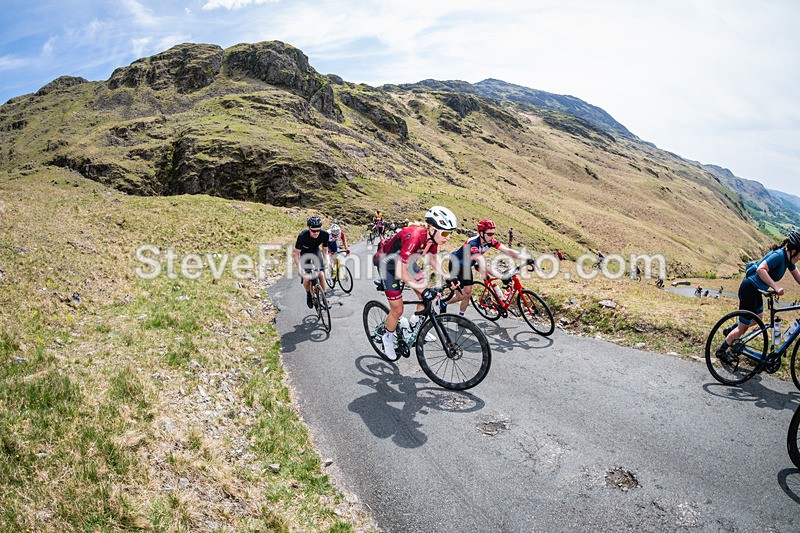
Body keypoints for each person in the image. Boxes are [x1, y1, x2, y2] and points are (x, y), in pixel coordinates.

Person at [378, 206, 457, 359]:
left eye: (451, 233)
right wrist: (421, 288)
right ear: (433, 228)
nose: (448, 237)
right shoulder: (414, 237)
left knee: (425, 294)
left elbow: (433, 259)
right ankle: (387, 338)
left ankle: (415, 324)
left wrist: (448, 277)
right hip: (388, 265)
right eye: (446, 233)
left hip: (407, 263)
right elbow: (401, 272)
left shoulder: (432, 238)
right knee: (397, 310)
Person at [715, 230, 800, 363]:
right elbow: (761, 269)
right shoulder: (779, 255)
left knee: (758, 319)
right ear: (794, 251)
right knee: (742, 329)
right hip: (750, 289)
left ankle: (730, 331)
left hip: (756, 290)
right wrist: (776, 287)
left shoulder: (788, 259)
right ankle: (721, 351)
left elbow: (799, 278)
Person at [444, 219, 532, 316]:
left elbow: (508, 251)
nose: (492, 236)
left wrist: (526, 259)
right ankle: (444, 303)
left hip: (467, 266)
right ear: (481, 233)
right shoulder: (472, 244)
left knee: (467, 294)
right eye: (489, 234)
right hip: (456, 265)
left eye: (493, 233)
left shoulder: (490, 241)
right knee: (460, 296)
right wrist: (502, 277)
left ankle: (461, 317)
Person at [294, 216, 331, 309]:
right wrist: (299, 268)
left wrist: (327, 261)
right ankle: (308, 295)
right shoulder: (302, 236)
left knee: (321, 275)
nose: (316, 233)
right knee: (307, 278)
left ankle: (325, 298)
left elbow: (325, 250)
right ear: (309, 229)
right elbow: (296, 254)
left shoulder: (324, 234)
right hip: (305, 254)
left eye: (318, 230)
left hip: (315, 252)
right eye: (313, 231)